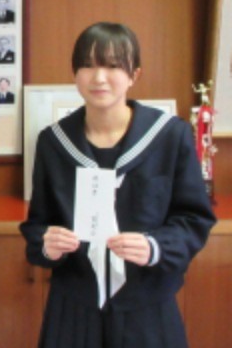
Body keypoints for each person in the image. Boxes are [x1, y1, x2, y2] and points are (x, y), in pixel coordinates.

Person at [20, 22, 216, 348]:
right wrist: (46, 244)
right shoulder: (53, 142)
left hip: (148, 303)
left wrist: (156, 246)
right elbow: (38, 224)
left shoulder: (170, 135)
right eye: (88, 65)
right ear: (75, 73)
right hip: (74, 306)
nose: (99, 77)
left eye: (112, 66)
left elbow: (195, 219)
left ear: (134, 75)